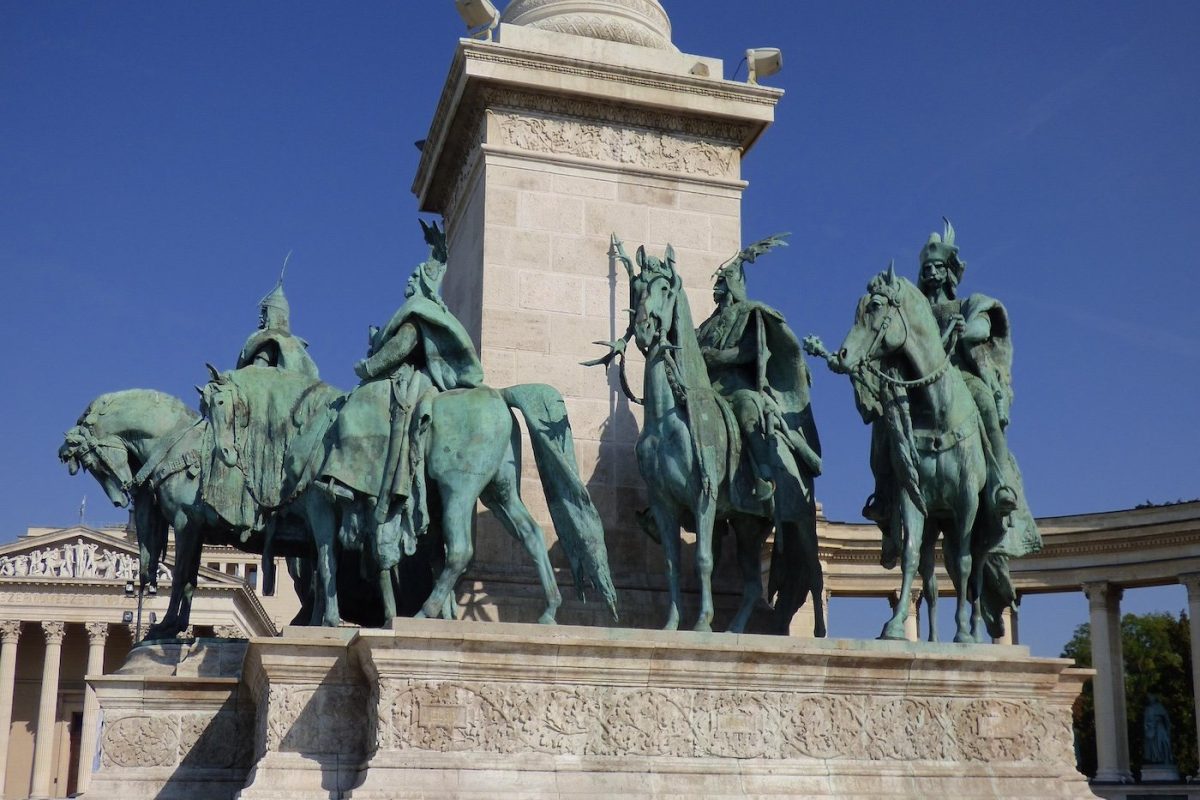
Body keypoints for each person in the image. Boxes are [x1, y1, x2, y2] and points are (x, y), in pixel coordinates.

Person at [320, 221, 484, 571]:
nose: (407, 281)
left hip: (408, 380)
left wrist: (367, 367)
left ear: (424, 282)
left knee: (354, 412)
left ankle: (354, 487)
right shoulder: (417, 312)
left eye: (413, 277)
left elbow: (401, 348)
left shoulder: (416, 313)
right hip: (410, 379)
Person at [863, 219, 1023, 533]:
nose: (931, 273)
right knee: (885, 420)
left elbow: (983, 326)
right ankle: (883, 495)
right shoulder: (912, 312)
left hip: (961, 379)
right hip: (920, 384)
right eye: (927, 268)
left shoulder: (965, 304)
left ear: (948, 272)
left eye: (937, 267)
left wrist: (966, 332)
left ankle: (1001, 485)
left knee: (987, 410)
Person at [694, 234, 821, 505]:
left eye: (721, 282)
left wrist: (718, 356)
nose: (716, 287)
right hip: (706, 390)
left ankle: (763, 475)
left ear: (732, 285)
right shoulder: (705, 326)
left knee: (748, 412)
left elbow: (752, 350)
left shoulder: (748, 313)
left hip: (735, 388)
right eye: (717, 282)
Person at [236, 259, 319, 378]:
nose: (261, 316)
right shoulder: (297, 347)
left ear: (272, 313)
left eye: (264, 312)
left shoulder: (269, 340)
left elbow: (253, 376)